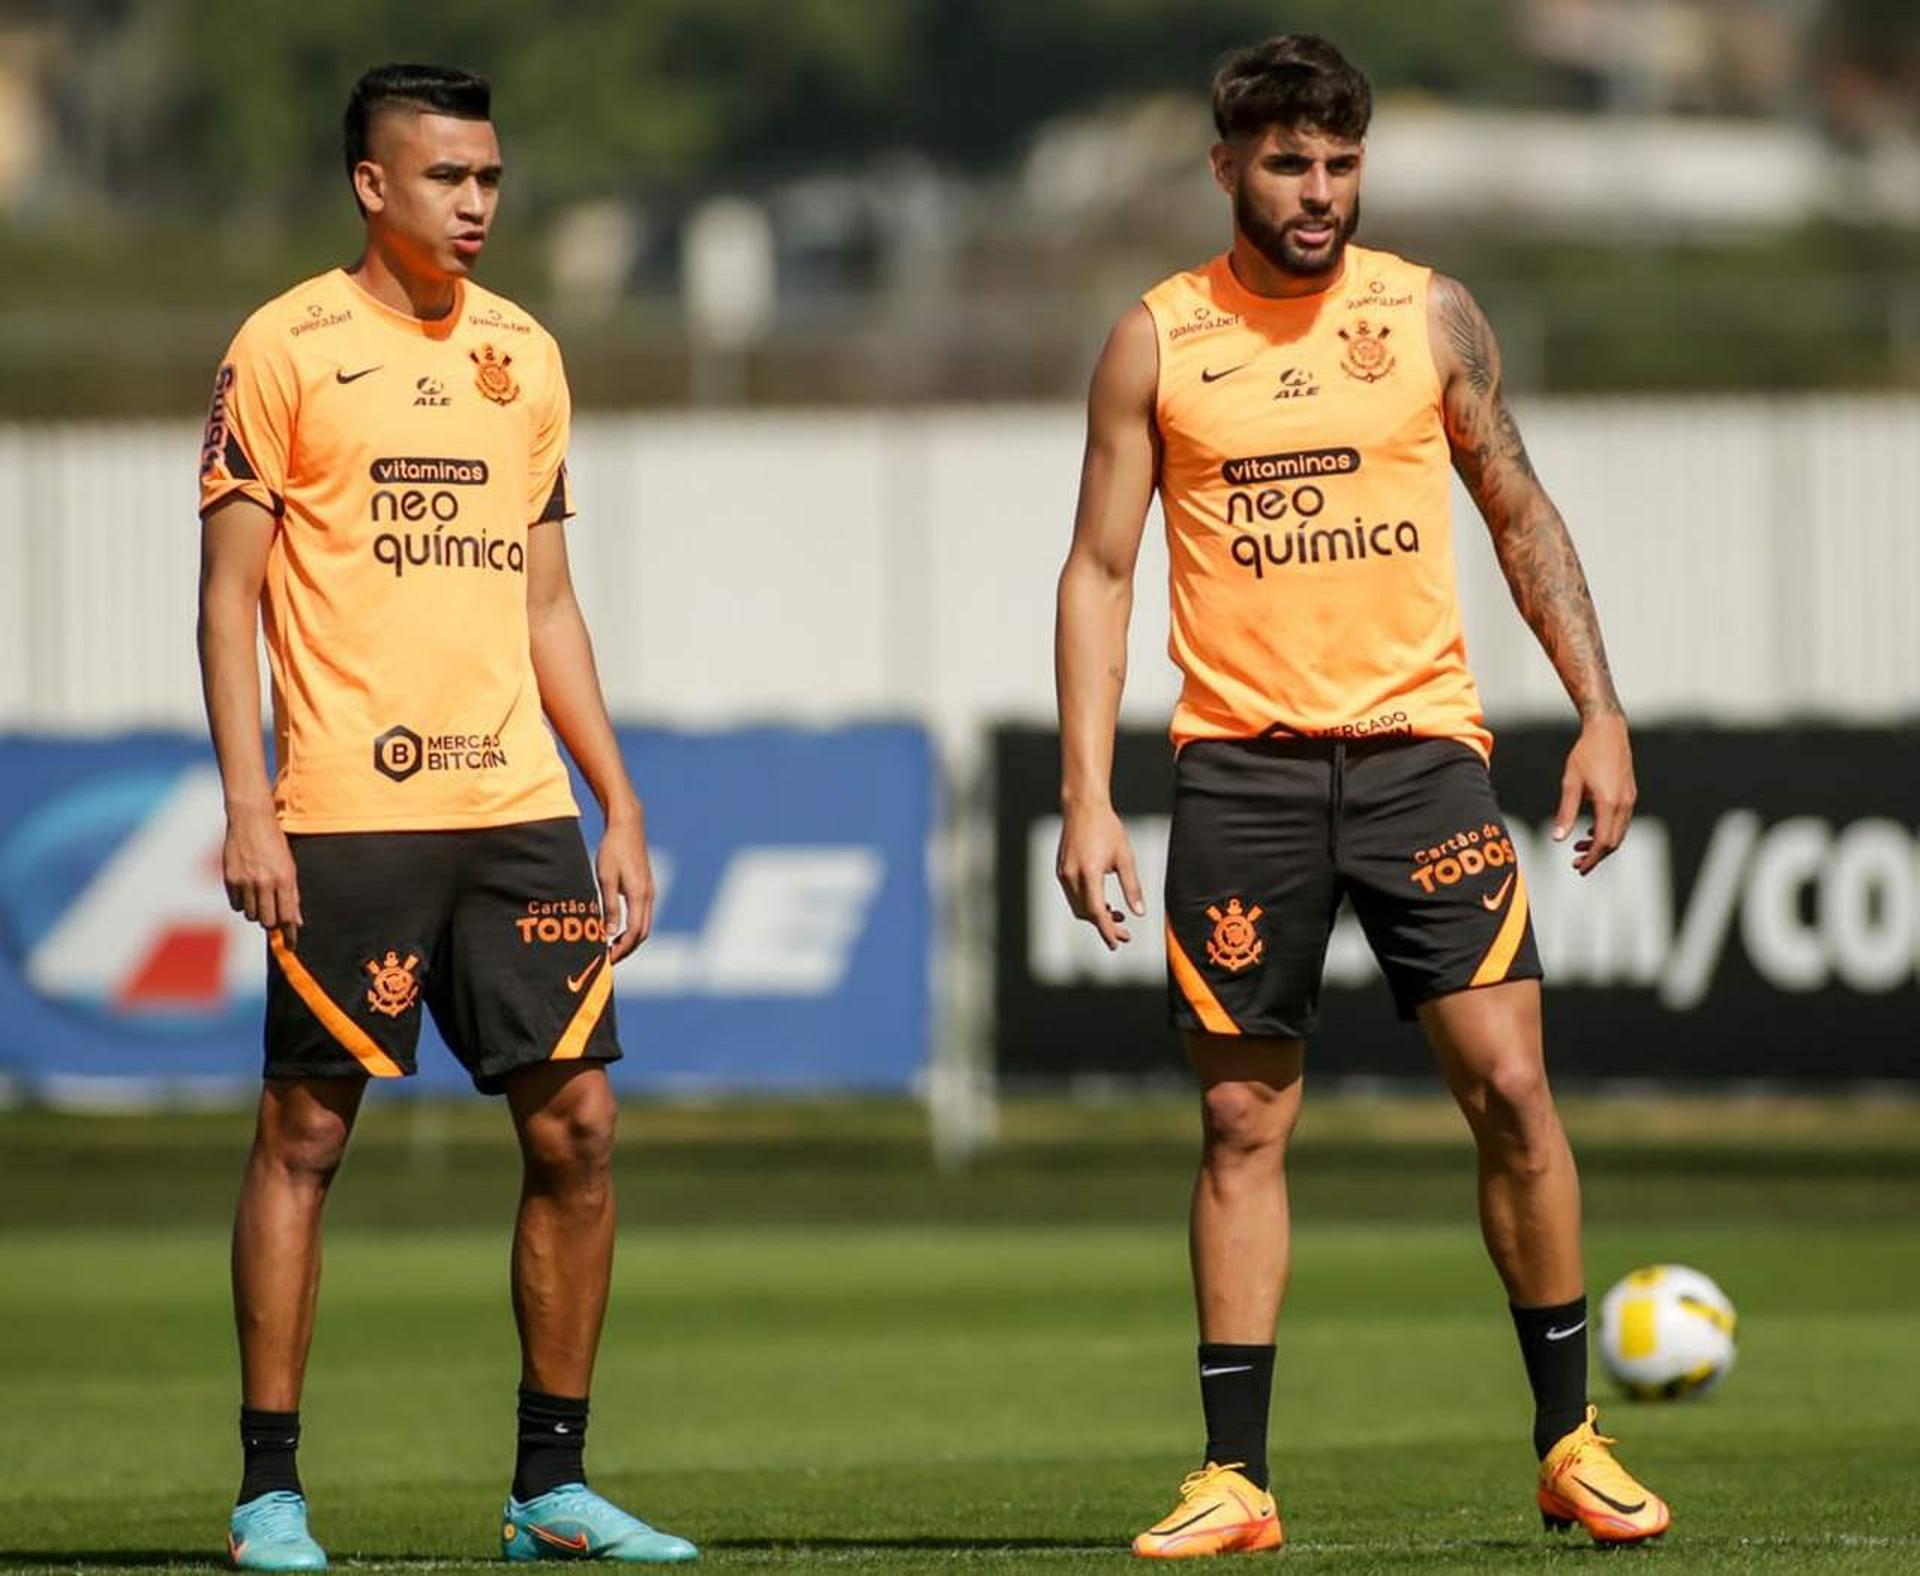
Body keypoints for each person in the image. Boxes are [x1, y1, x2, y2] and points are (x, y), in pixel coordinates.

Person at [1053, 34, 1668, 1559]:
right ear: (1225, 168)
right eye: (1285, 163)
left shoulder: (1428, 315)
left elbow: (1516, 504)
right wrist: (1085, 788)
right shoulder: (1157, 340)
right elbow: (1102, 570)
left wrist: (1599, 708)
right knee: (1244, 1124)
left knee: (1515, 1095)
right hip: (1243, 779)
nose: (1316, 191)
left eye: (1338, 163)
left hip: (1421, 766)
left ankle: (1571, 1445)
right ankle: (1235, 1480)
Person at [197, 63, 695, 1568]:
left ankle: (552, 1485)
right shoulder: (282, 347)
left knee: (582, 1133)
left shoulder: (527, 357)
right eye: (446, 179)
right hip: (345, 813)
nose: (476, 204)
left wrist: (616, 798)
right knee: (305, 1136)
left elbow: (546, 603)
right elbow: (228, 601)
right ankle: (269, 1493)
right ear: (372, 184)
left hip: (519, 811)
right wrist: (248, 801)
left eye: (488, 178)